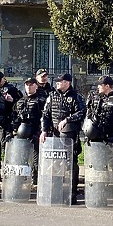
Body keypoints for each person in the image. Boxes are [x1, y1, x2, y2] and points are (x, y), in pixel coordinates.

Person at [83, 75, 113, 210]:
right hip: (96, 140)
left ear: (107, 86)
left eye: (100, 85)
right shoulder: (95, 97)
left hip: (111, 140)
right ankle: (100, 197)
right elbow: (89, 115)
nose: (98, 87)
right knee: (98, 170)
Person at [41, 73, 85, 204]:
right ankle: (56, 192)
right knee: (55, 164)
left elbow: (81, 112)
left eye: (60, 81)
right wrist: (44, 130)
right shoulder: (52, 95)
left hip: (69, 135)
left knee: (70, 164)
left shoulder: (76, 96)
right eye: (57, 82)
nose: (57, 83)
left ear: (67, 83)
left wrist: (67, 119)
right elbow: (46, 114)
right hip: (54, 135)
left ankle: (71, 193)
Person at [8, 76, 45, 184]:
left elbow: (44, 118)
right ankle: (22, 180)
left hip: (35, 134)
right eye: (27, 84)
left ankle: (37, 182)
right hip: (21, 135)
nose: (29, 87)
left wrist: (39, 133)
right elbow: (14, 117)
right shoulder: (20, 101)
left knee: (36, 161)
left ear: (36, 86)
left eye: (31, 84)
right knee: (21, 159)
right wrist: (13, 131)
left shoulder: (41, 101)